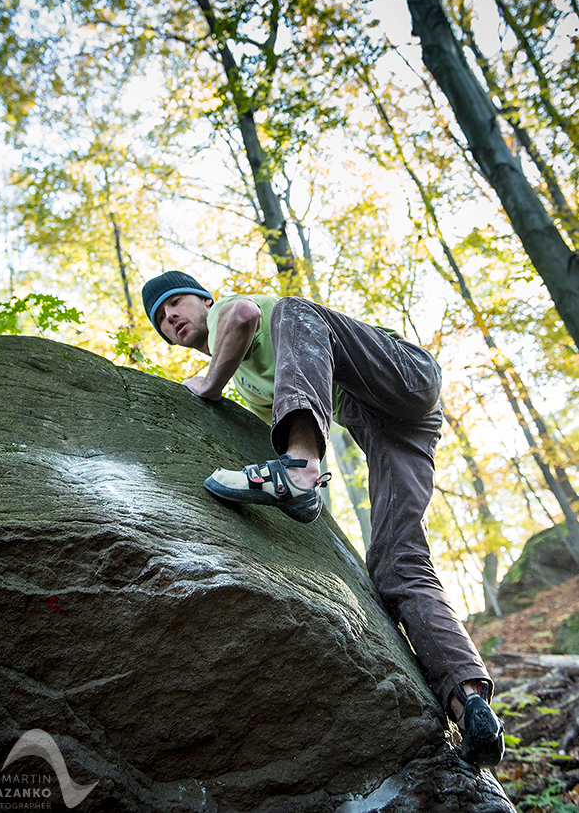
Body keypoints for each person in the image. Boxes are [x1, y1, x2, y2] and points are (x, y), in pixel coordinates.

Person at [141, 270, 505, 768]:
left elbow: (245, 317)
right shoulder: (251, 384)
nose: (171, 318)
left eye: (175, 303)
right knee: (399, 563)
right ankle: (470, 700)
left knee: (297, 309)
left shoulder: (235, 310)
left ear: (205, 299)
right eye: (161, 319)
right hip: (394, 422)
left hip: (403, 375)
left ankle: (299, 467)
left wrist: (207, 384)